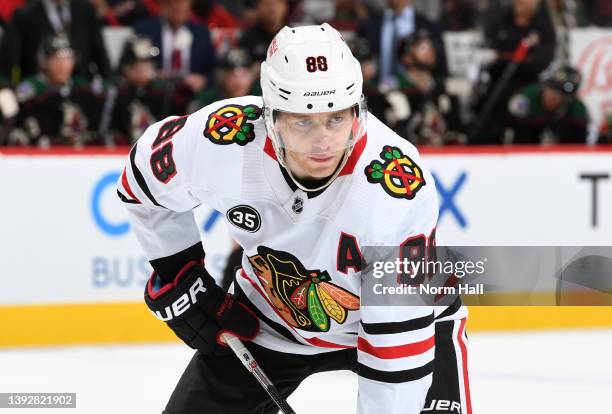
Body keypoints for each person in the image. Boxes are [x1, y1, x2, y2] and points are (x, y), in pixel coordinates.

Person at [117, 23, 470, 414]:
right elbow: (142, 178)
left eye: (336, 118)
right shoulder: (225, 138)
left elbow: (395, 356)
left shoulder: (394, 189)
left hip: (403, 328)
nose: (323, 140)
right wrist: (179, 270)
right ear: (270, 118)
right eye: (303, 121)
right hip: (268, 322)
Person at [470, 0, 556, 144]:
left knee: (527, 128)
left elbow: (542, 61)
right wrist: (506, 58)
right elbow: (488, 50)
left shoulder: (542, 25)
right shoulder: (499, 19)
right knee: (487, 126)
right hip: (497, 85)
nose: (520, 3)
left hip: (528, 86)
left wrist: (511, 59)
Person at [10, 34, 105, 146]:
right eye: (56, 59)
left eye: (67, 59)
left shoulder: (81, 87)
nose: (62, 65)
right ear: (44, 61)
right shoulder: (32, 88)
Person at [4, 0, 111, 81]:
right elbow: (10, 59)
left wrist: (109, 80)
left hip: (78, 85)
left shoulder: (85, 10)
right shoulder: (24, 14)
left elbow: (99, 51)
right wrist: (10, 85)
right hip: (38, 90)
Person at [506, 65, 590, 144]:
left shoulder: (577, 110)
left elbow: (579, 146)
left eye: (559, 93)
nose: (551, 95)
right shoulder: (526, 99)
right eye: (551, 88)